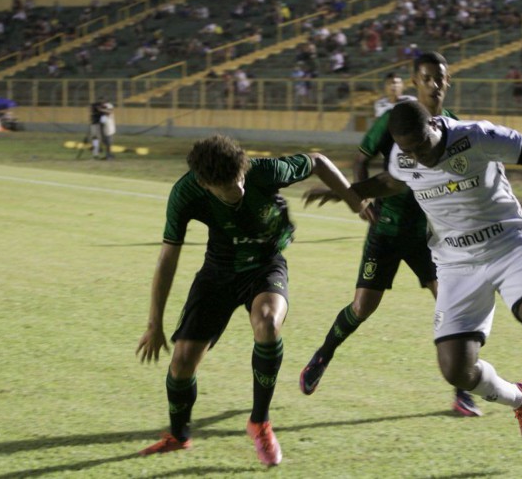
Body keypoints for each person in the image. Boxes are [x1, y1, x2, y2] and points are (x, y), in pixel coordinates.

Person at [303, 100, 522, 479]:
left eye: (423, 146)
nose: (418, 158)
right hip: (455, 264)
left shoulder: (477, 136)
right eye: (408, 151)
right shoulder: (407, 156)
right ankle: (520, 399)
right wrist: (352, 191)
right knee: (456, 369)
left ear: (435, 127)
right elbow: (396, 180)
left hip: (508, 246)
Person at [136, 135, 365, 466]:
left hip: (265, 265)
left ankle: (260, 421)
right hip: (218, 273)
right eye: (228, 187)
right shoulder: (186, 193)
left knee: (268, 322)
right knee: (183, 362)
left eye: (239, 178)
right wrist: (154, 324)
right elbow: (167, 258)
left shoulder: (265, 171)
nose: (239, 189)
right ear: (205, 184)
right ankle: (178, 436)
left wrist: (355, 202)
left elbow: (317, 160)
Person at [299, 52, 482, 417]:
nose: (434, 84)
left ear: (448, 81)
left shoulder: (455, 127)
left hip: (427, 236)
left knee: (451, 305)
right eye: (427, 78)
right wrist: (357, 195)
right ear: (415, 81)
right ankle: (323, 355)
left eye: (440, 78)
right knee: (362, 308)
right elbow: (364, 157)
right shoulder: (394, 120)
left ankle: (462, 390)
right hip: (386, 230)